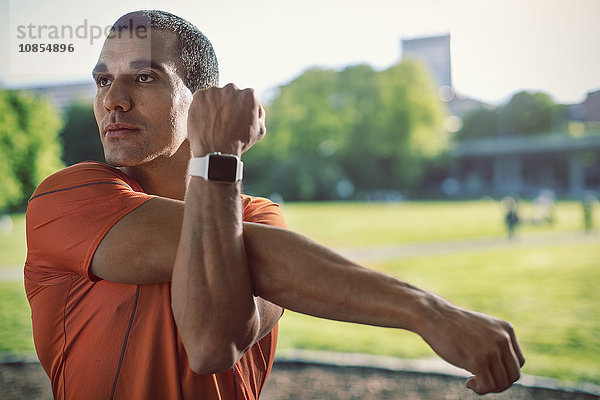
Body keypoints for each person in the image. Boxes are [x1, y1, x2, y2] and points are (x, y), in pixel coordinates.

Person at [24, 10, 524, 400]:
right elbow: (210, 342)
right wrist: (430, 312)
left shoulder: (260, 219)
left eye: (145, 77)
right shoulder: (67, 197)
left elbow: (213, 338)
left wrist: (212, 162)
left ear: (203, 101)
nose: (113, 98)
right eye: (102, 79)